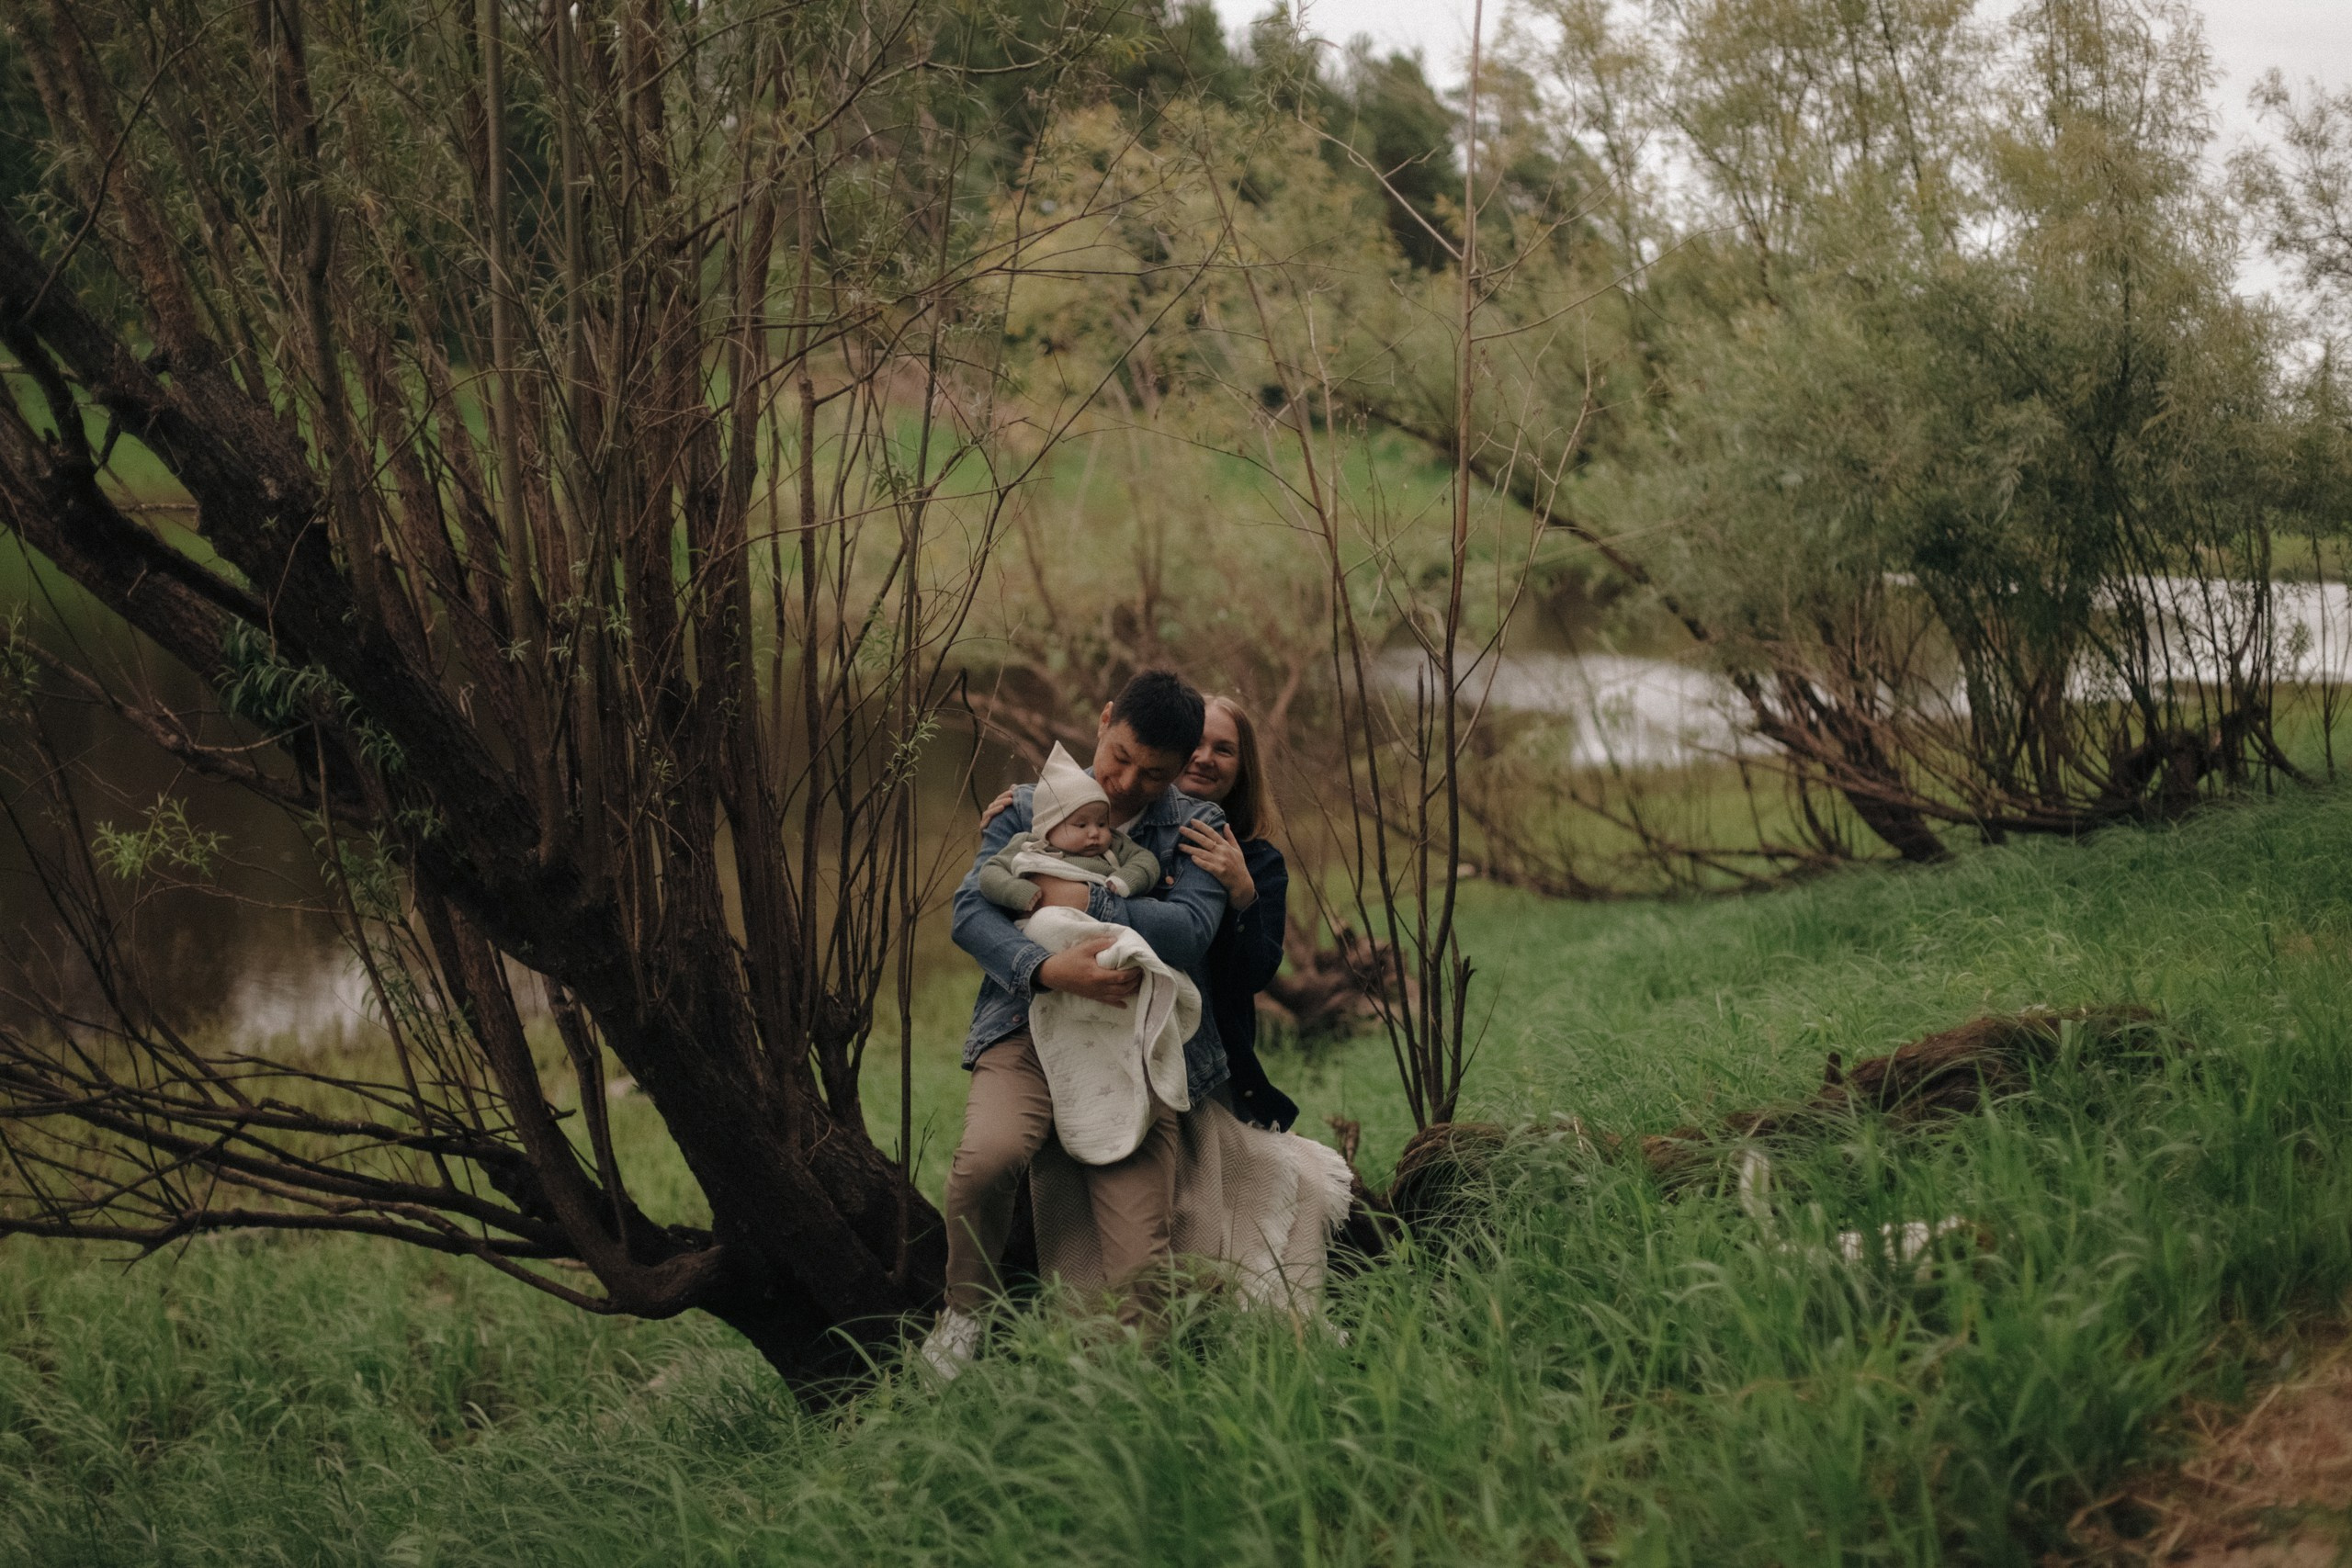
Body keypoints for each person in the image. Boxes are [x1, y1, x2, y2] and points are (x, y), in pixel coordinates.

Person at [922, 671, 1230, 1377]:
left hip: (1131, 1042)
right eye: (1119, 756)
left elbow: (1190, 930)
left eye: (1153, 774)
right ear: (1103, 718)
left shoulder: (1197, 827)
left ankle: (1137, 1390)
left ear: (1181, 768)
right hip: (1025, 1020)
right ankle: (964, 1312)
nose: (1125, 782)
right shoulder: (1027, 806)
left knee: (1140, 1265)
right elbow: (970, 912)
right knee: (988, 1159)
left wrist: (1077, 897)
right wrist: (1046, 968)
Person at [1171, 695, 1300, 1132]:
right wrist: (1020, 804)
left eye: (1223, 749)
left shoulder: (1261, 862)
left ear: (1242, 769)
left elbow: (1254, 976)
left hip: (1217, 1060)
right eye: (1195, 742)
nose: (1205, 757)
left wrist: (1243, 894)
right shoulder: (1121, 831)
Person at [974, 741, 1161, 913]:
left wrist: (1126, 879)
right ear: (1049, 826)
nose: (1095, 833)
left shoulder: (1114, 845)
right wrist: (1018, 891)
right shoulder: (1029, 845)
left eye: (1102, 823)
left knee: (1128, 939)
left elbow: (1146, 860)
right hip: (1043, 923)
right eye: (1081, 825)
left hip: (1101, 919)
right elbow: (990, 872)